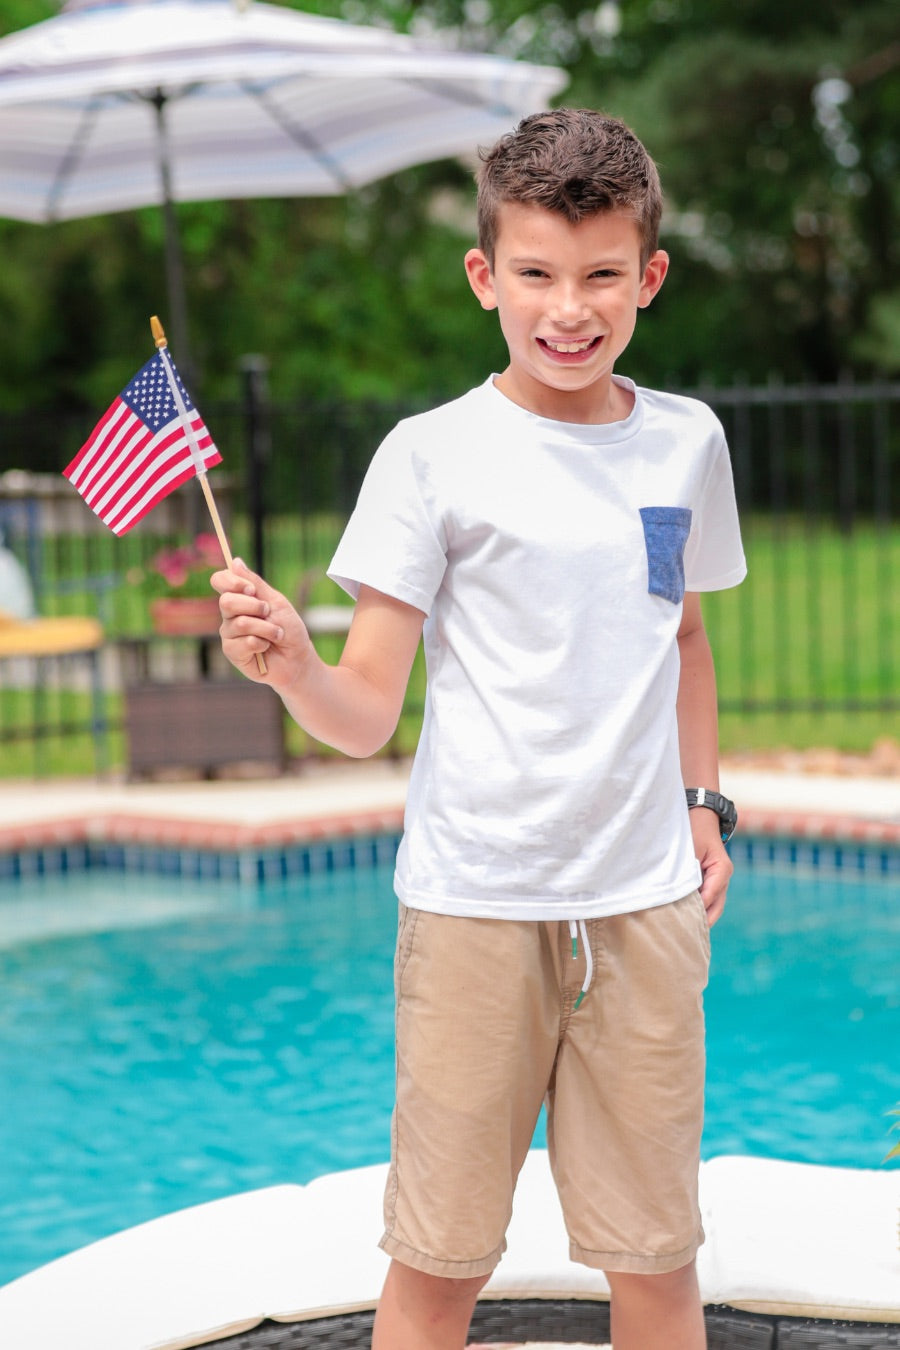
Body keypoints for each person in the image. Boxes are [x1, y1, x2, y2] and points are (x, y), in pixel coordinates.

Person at [213, 108, 746, 1350]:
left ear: (649, 276)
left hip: (644, 912)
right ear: (484, 275)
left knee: (657, 1265)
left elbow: (683, 641)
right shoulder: (430, 457)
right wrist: (296, 667)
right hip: (472, 914)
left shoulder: (688, 442)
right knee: (440, 1266)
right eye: (537, 274)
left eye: (602, 275)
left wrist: (703, 802)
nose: (570, 308)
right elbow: (363, 716)